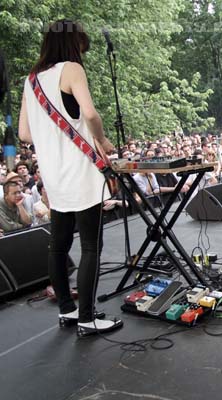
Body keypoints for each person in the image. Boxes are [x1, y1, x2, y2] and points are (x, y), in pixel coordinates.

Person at [18, 19, 123, 336]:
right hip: (81, 170)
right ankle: (89, 318)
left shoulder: (32, 80)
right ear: (73, 43)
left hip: (54, 175)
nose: (83, 52)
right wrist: (102, 141)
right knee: (91, 245)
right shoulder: (71, 70)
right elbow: (90, 114)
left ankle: (68, 310)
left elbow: (24, 133)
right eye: (81, 45)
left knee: (59, 245)